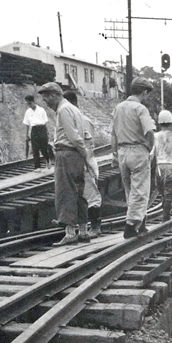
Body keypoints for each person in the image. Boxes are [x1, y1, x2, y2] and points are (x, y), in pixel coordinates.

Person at [37, 82, 90, 246]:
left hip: (67, 154)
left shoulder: (63, 110)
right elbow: (82, 134)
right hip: (75, 156)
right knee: (79, 191)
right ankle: (83, 231)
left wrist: (85, 154)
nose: (47, 103)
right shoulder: (74, 109)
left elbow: (74, 136)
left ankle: (70, 233)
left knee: (66, 191)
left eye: (46, 99)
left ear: (53, 95)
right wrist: (84, 155)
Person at [111, 76, 155, 239]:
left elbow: (113, 134)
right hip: (138, 151)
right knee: (141, 190)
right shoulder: (140, 109)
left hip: (122, 151)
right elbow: (149, 132)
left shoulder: (118, 108)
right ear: (144, 92)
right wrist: (149, 149)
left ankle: (141, 224)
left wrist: (114, 154)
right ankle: (130, 226)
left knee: (130, 190)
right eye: (147, 94)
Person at [63, 90, 102, 237]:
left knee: (91, 195)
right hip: (74, 162)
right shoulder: (69, 119)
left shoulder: (83, 120)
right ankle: (81, 228)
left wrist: (87, 164)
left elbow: (88, 145)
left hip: (85, 162)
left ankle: (95, 227)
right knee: (78, 196)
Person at [23, 94, 53, 171]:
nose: (29, 105)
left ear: (33, 101)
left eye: (30, 103)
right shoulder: (28, 112)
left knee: (43, 147)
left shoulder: (41, 110)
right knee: (35, 149)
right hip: (34, 130)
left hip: (42, 128)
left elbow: (46, 122)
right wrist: (26, 135)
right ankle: (37, 167)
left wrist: (47, 132)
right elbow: (27, 124)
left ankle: (48, 159)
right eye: (27, 104)